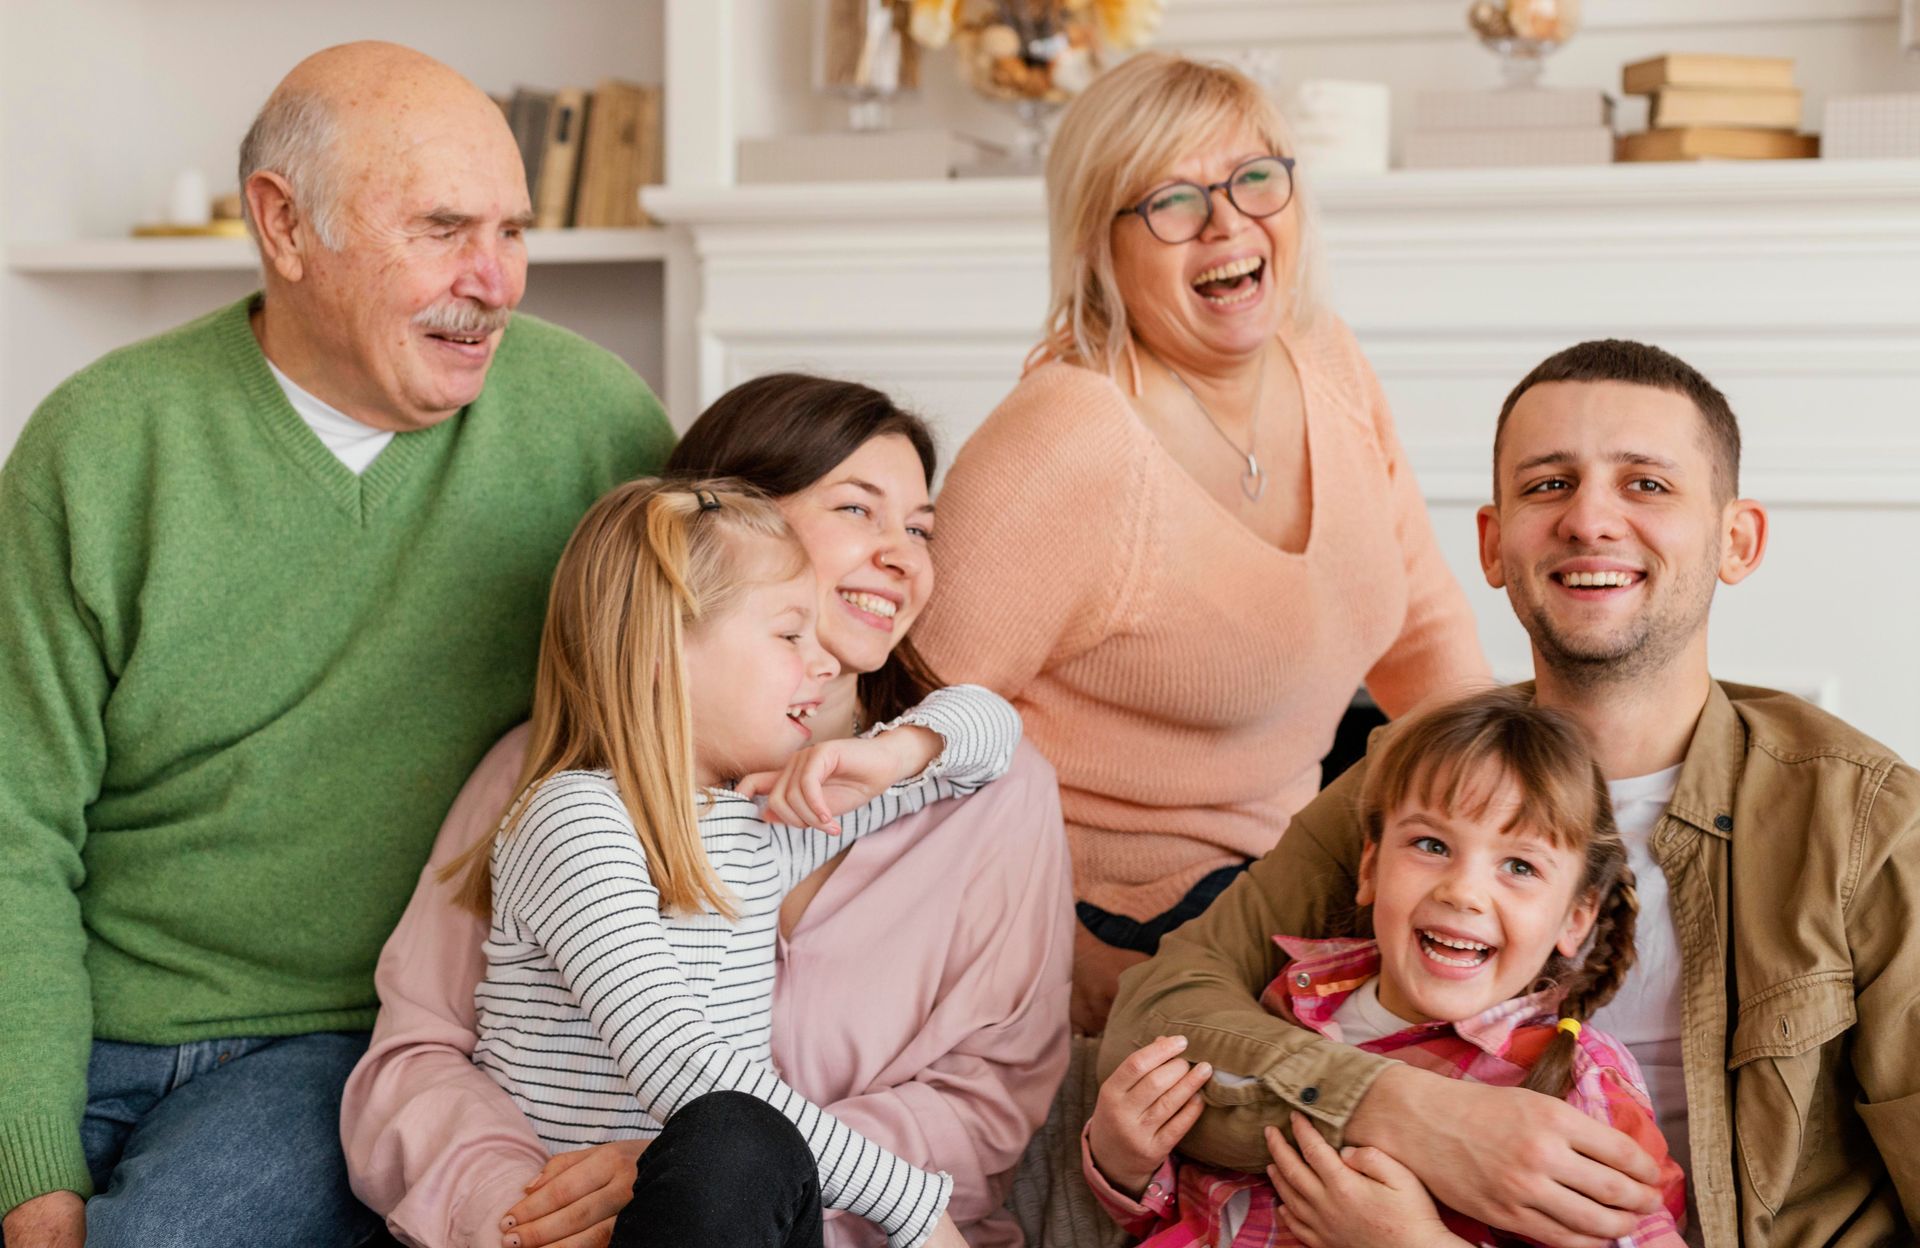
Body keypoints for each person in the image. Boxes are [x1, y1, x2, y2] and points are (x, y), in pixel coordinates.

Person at [0, 41, 673, 1248]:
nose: (497, 280)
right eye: (444, 227)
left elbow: (741, 703)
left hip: (340, 1042)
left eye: (513, 231)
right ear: (284, 224)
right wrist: (32, 1173)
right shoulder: (100, 445)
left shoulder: (598, 428)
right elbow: (11, 825)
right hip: (80, 1011)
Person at [1104, 339, 1920, 1247]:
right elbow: (1164, 1010)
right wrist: (1415, 1116)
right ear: (1494, 546)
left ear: (1738, 541)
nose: (1590, 522)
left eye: (1645, 484)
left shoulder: (1865, 822)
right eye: (1547, 486)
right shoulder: (1415, 775)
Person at [342, 375, 1074, 1248]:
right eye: (857, 511)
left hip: (814, 1225)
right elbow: (420, 1060)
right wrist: (528, 1205)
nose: (904, 556)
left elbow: (981, 1107)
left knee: (728, 1148)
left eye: (920, 528)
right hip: (568, 1230)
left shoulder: (913, 796)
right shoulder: (556, 789)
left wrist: (897, 755)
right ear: (726, 525)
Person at [910, 51, 1489, 1039]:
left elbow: (1420, 629)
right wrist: (1059, 951)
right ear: (1102, 241)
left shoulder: (1328, 360)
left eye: (1255, 179)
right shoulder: (1069, 440)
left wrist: (1526, 814)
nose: (1229, 223)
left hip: (1279, 880)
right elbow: (902, 732)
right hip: (1113, 909)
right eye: (1174, 201)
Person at [1085, 688, 1686, 1248]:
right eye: (1431, 845)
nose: (1464, 892)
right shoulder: (1284, 1002)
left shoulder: (1579, 1084)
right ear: (1370, 866)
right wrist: (1126, 1166)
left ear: (1574, 919)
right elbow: (1200, 1210)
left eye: (1520, 867)